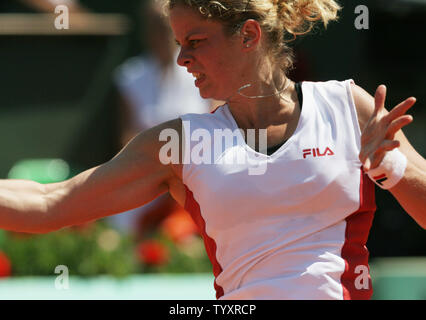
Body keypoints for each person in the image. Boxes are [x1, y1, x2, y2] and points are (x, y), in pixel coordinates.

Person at [1, 0, 425, 300]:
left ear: (249, 35)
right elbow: (50, 202)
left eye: (196, 40)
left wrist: (391, 167)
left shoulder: (348, 108)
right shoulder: (178, 145)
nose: (182, 58)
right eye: (179, 42)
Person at [109, 0, 213, 236]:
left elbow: (218, 127)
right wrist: (157, 173)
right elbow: (126, 138)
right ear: (146, 29)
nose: (163, 31)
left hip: (198, 177)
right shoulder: (131, 76)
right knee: (118, 228)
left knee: (179, 234)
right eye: (156, 24)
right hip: (148, 175)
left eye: (167, 24)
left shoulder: (203, 68)